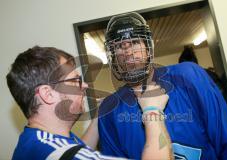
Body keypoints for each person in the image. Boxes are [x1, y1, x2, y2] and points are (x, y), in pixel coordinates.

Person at [98, 12, 227, 160]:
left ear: (148, 47)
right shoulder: (109, 111)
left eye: (134, 42)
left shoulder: (188, 77)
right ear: (113, 55)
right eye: (120, 46)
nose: (128, 52)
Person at [7, 46, 173, 160]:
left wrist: (97, 119)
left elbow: (79, 149)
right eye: (75, 81)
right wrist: (152, 111)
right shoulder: (58, 153)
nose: (85, 85)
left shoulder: (37, 140)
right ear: (48, 94)